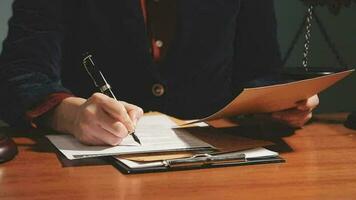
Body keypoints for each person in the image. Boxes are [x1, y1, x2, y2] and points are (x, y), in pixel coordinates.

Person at [0, 0, 319, 146]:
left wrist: (279, 104)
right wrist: (70, 115)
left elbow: (260, 71)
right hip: (91, 174)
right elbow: (21, 73)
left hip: (218, 167)